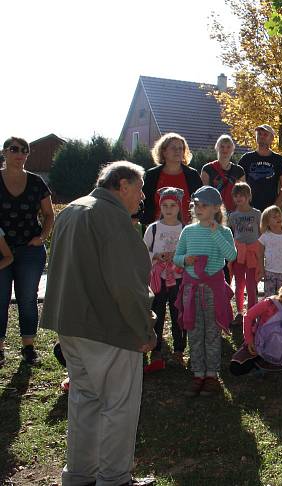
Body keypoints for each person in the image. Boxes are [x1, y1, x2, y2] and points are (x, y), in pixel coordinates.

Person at [41, 161, 157, 486]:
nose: (143, 196)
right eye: (140, 187)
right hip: (109, 328)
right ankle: (115, 478)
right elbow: (126, 284)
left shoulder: (72, 210)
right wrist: (144, 328)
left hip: (71, 326)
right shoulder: (111, 217)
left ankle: (79, 475)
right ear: (122, 186)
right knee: (119, 406)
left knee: (84, 401)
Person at [173, 186, 237, 396]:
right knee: (194, 330)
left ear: (216, 207)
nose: (198, 209)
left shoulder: (224, 231)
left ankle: (211, 374)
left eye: (204, 205)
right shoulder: (188, 231)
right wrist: (185, 260)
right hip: (191, 289)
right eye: (196, 205)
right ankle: (198, 373)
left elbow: (231, 255)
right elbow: (177, 257)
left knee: (211, 330)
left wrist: (215, 232)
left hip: (213, 290)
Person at [0, 136, 55, 365]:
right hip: (0, 250)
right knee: (0, 298)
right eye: (14, 149)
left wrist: (42, 237)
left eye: (25, 150)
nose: (20, 154)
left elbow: (49, 214)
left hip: (29, 250)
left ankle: (28, 347)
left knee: (27, 299)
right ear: (4, 152)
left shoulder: (36, 182)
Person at [142, 187, 186, 373]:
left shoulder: (185, 229)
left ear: (179, 207)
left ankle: (178, 349)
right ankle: (157, 348)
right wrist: (157, 256)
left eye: (173, 205)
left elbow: (189, 252)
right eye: (165, 205)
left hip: (178, 279)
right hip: (158, 279)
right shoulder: (153, 228)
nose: (168, 209)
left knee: (178, 315)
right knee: (157, 314)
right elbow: (143, 252)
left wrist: (177, 256)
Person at [141, 133, 203, 226]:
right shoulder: (152, 175)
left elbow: (201, 203)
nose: (177, 151)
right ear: (164, 152)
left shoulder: (192, 175)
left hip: (187, 231)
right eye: (173, 148)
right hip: (157, 230)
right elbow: (144, 202)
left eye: (180, 148)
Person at [229, 182, 263, 322]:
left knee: (251, 284)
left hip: (252, 254)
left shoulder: (256, 213)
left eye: (242, 195)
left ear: (248, 196)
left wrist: (261, 255)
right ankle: (239, 312)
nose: (238, 198)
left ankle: (251, 313)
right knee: (239, 283)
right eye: (236, 196)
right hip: (238, 254)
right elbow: (231, 234)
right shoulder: (232, 215)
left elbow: (261, 235)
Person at [238, 124, 282, 211]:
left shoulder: (279, 160)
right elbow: (238, 186)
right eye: (259, 134)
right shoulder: (246, 159)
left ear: (272, 138)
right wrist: (244, 206)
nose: (262, 136)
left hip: (270, 213)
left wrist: (273, 208)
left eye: (265, 134)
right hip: (248, 211)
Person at [200, 134, 246, 213]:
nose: (225, 150)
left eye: (228, 147)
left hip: (234, 213)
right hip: (213, 212)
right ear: (217, 148)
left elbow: (243, 194)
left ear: (232, 149)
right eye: (222, 146)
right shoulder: (207, 169)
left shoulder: (239, 171)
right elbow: (204, 194)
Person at [258, 205, 282, 297]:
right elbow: (260, 255)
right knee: (269, 297)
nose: (278, 218)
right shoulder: (264, 237)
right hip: (269, 272)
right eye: (274, 217)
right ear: (267, 222)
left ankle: (281, 312)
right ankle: (270, 312)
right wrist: (261, 270)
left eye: (279, 216)